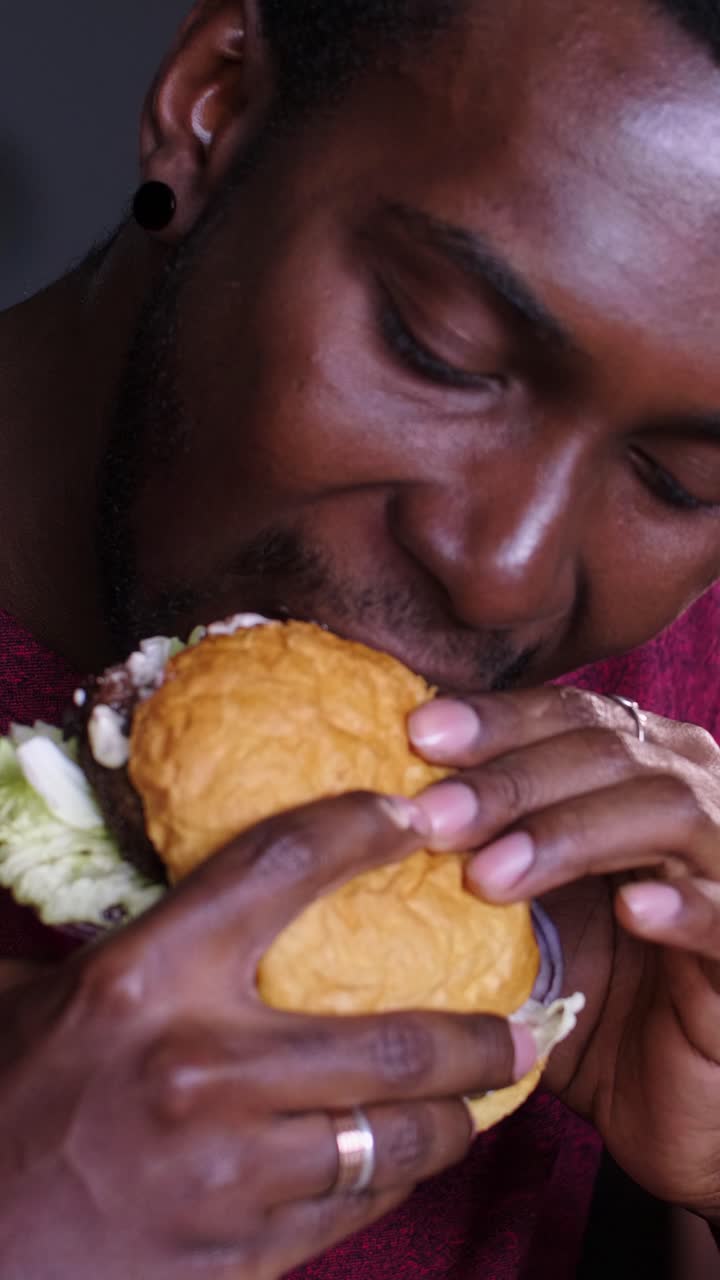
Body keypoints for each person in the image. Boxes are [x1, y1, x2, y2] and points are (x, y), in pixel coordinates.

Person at [2, 0, 720, 1274]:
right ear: (217, 106)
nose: (503, 574)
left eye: (677, 483)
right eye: (440, 351)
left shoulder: (676, 777)